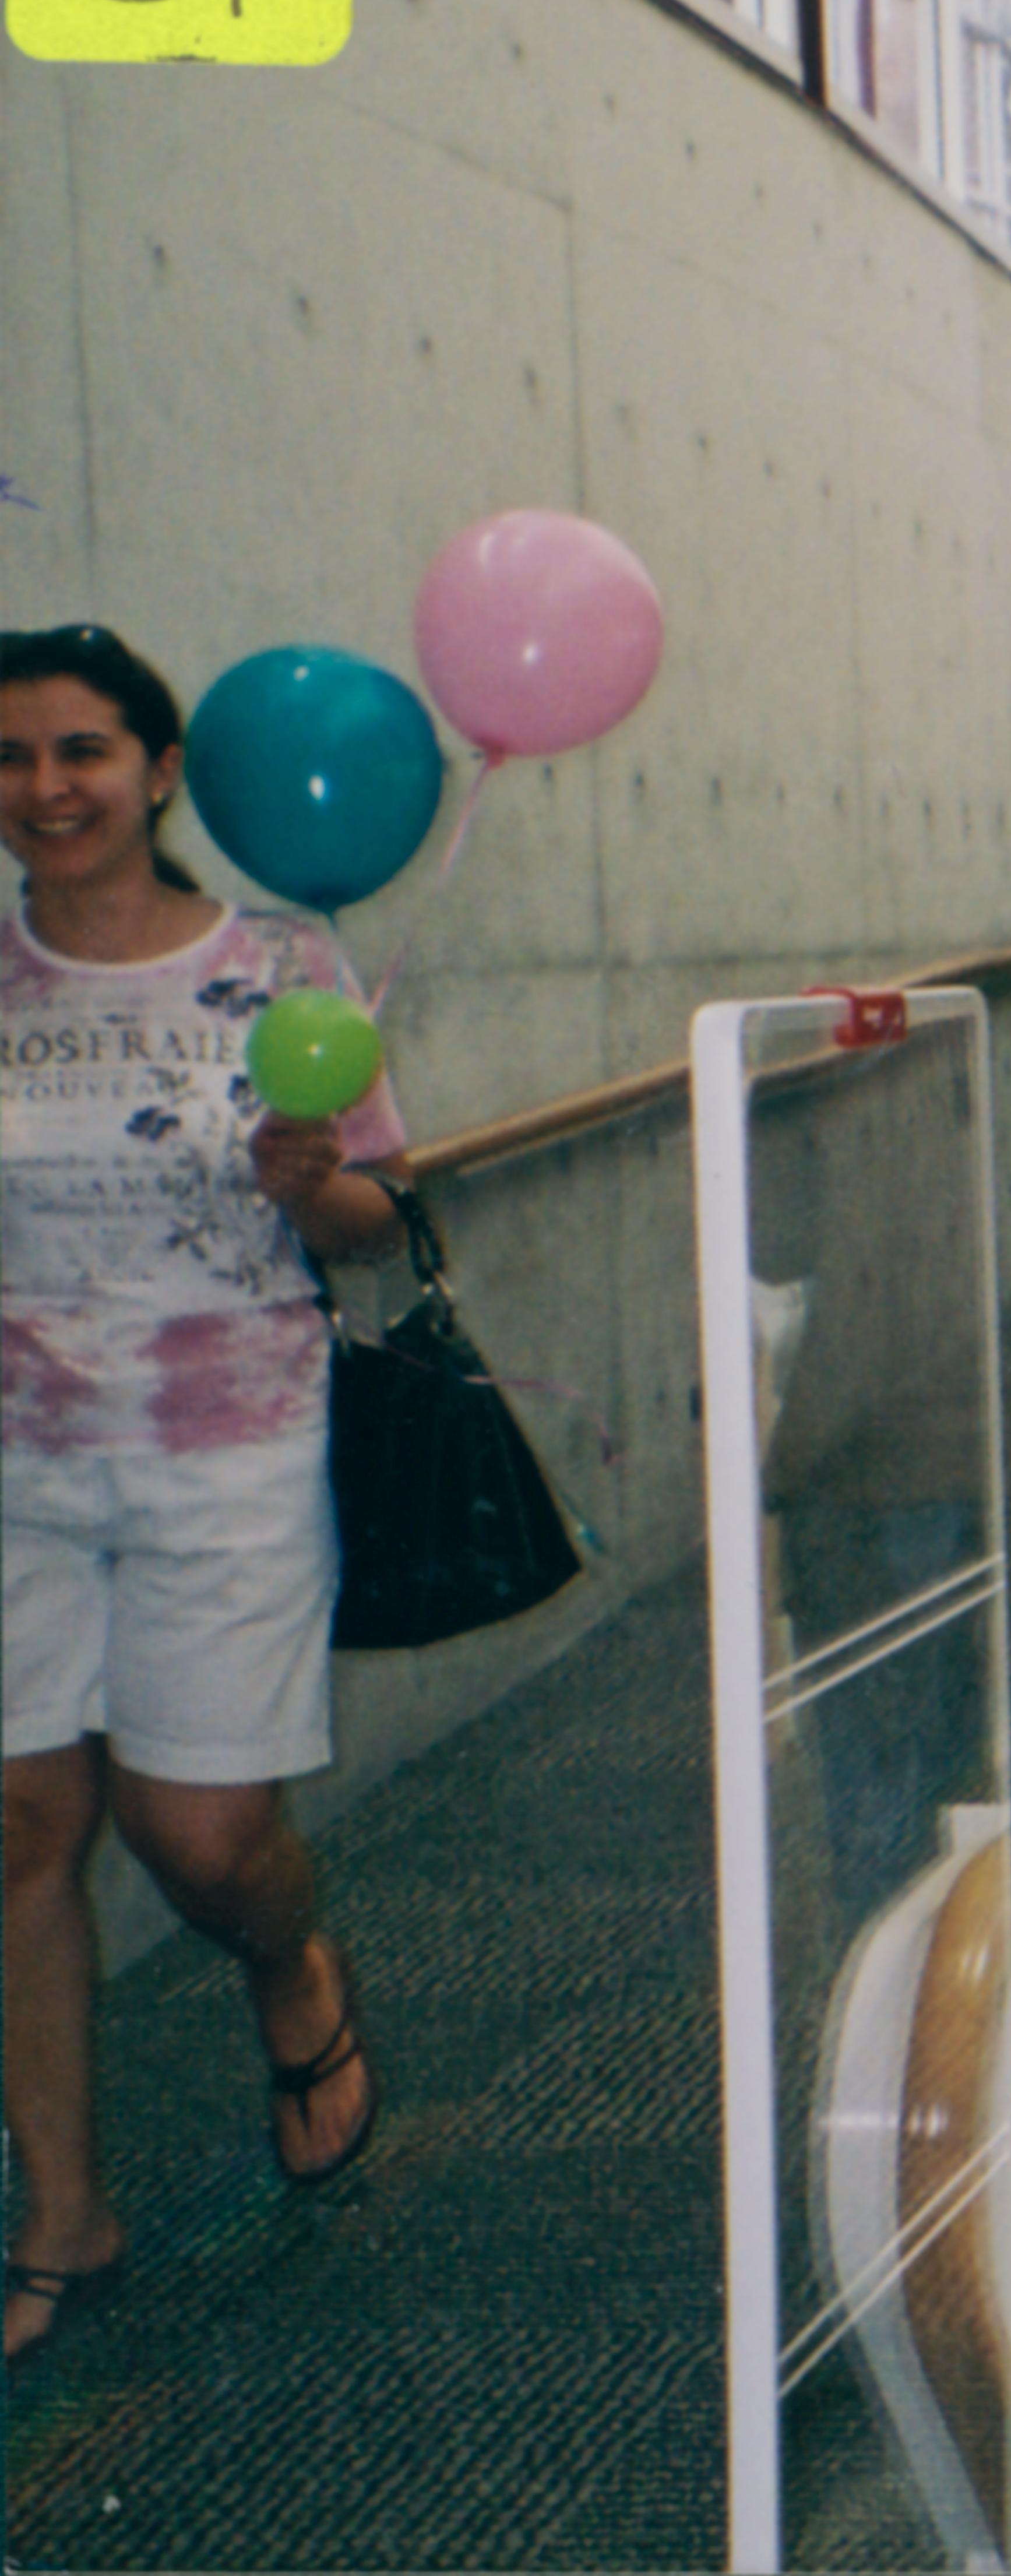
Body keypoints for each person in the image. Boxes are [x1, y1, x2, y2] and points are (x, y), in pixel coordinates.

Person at [1, 625, 406, 2366]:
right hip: (15, 1456)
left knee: (204, 1838)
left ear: (160, 770)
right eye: (11, 757)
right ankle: (64, 2215)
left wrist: (312, 1184)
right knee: (20, 1830)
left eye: (82, 750)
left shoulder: (282, 964)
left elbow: (378, 1222)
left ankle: (288, 1964)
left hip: (225, 1446)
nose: (45, 788)